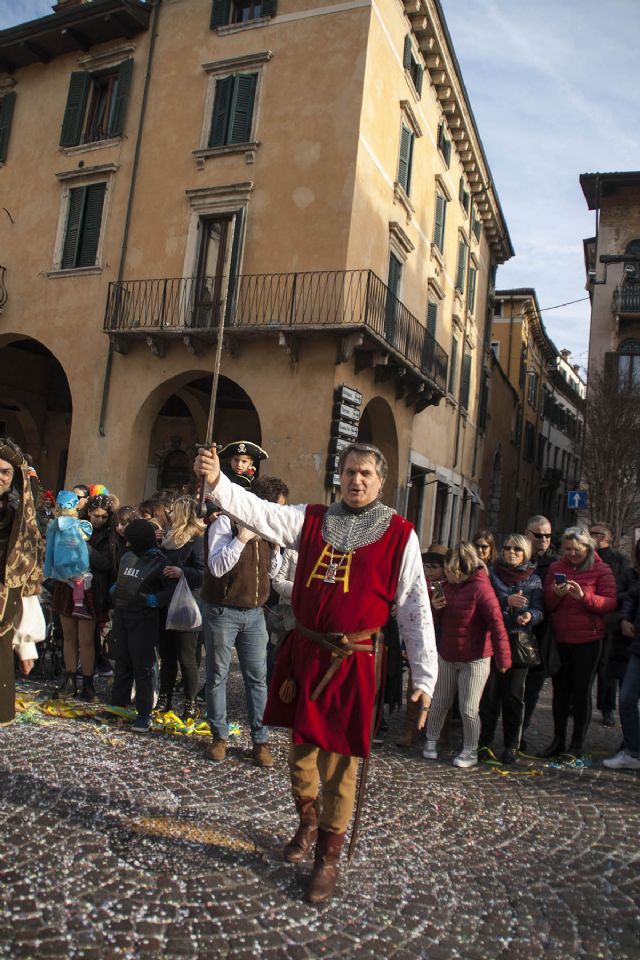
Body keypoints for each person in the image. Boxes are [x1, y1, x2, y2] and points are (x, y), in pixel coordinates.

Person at [194, 441, 437, 904]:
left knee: (341, 765)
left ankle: (327, 854)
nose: (356, 480)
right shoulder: (312, 519)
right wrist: (216, 482)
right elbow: (259, 512)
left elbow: (415, 611)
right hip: (306, 652)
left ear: (381, 481)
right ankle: (307, 821)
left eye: (366, 473)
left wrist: (424, 679)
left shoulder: (400, 534)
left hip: (353, 661)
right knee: (301, 755)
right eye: (349, 471)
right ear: (339, 475)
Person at [201, 452, 282, 769]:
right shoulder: (223, 521)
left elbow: (272, 575)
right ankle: (219, 737)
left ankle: (259, 742)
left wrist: (274, 549)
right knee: (218, 675)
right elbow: (217, 566)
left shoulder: (268, 526)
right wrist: (241, 539)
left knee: (257, 679)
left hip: (255, 614)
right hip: (223, 610)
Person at [423, 542, 511, 769]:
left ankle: (470, 750)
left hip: (476, 657)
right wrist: (435, 607)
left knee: (469, 708)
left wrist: (503, 658)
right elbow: (434, 623)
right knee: (440, 701)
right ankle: (431, 741)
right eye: (447, 571)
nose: (448, 575)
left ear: (464, 569)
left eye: (453, 571)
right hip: (448, 653)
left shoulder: (481, 588)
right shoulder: (444, 586)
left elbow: (497, 623)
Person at [539, 527, 617, 759]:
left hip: (589, 640)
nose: (572, 554)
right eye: (568, 549)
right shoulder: (556, 568)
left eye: (577, 550)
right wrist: (555, 593)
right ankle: (558, 740)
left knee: (581, 692)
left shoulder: (601, 569)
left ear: (588, 548)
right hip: (562, 638)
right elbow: (547, 603)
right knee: (560, 692)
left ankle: (576, 744)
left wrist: (584, 598)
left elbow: (610, 603)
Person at [479, 534, 544, 764]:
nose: (511, 552)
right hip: (493, 640)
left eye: (517, 549)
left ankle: (511, 745)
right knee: (490, 696)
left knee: (514, 697)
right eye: (507, 548)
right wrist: (507, 601)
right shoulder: (491, 574)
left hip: (519, 642)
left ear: (525, 553)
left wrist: (529, 615)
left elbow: (539, 610)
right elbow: (486, 599)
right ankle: (484, 742)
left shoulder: (534, 579)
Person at [110, 520, 173, 733]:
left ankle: (144, 713)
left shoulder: (160, 562)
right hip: (123, 615)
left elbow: (171, 590)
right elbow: (122, 578)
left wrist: (154, 599)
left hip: (144, 620)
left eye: (131, 540)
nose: (127, 545)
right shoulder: (128, 556)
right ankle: (118, 706)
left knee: (143, 667)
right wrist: (116, 589)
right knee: (122, 662)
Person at [52, 493, 114, 701]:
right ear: (87, 512)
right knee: (68, 636)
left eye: (104, 517)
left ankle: (88, 683)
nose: (99, 520)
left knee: (87, 640)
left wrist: (83, 546)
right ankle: (69, 679)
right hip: (66, 584)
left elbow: (106, 564)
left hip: (92, 590)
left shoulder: (110, 535)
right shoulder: (70, 525)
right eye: (96, 515)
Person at [0, 438, 43, 726]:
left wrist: (25, 646)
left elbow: (24, 585)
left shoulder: (19, 521)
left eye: (5, 472)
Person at [157, 496, 205, 719]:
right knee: (166, 655)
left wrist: (182, 572)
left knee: (187, 657)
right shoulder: (167, 539)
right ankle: (164, 697)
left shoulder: (196, 540)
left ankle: (190, 701)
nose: (168, 513)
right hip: (166, 602)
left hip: (186, 604)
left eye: (172, 510)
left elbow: (204, 574)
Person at [590, 521, 632, 726]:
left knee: (607, 668)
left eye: (595, 533)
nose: (591, 536)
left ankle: (607, 708)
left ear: (605, 537)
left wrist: (611, 600)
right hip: (589, 619)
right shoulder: (585, 557)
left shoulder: (619, 561)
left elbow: (627, 591)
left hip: (610, 622)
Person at [521, 514, 557, 749]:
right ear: (528, 534)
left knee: (532, 689)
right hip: (515, 630)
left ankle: (519, 735)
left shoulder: (555, 564)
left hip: (541, 634)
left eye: (547, 535)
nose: (543, 540)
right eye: (538, 535)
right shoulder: (515, 556)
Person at [603, 538, 640, 769]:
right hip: (637, 649)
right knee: (626, 699)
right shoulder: (633, 576)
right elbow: (631, 599)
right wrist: (626, 618)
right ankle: (633, 751)